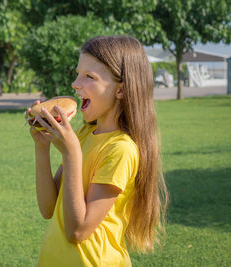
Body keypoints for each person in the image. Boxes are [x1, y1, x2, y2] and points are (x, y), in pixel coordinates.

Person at [26, 36, 169, 266]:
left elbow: (78, 231)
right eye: (78, 73)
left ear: (120, 90)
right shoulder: (83, 135)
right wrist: (41, 147)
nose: (75, 84)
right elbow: (48, 208)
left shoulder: (121, 149)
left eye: (89, 77)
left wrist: (71, 154)